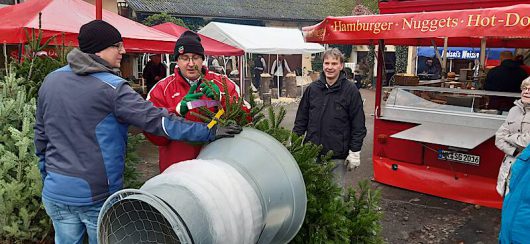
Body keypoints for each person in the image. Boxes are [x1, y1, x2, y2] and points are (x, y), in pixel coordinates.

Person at [34, 20, 241, 244]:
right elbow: (159, 122)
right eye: (117, 45)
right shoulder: (113, 88)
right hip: (95, 196)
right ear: (98, 49)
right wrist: (209, 132)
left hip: (55, 192)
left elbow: (41, 136)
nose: (123, 50)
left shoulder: (51, 80)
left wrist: (49, 177)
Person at [145, 30, 247, 172]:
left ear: (203, 59)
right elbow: (155, 136)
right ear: (177, 60)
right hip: (177, 171)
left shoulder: (223, 83)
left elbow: (246, 118)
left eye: (195, 57)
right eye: (185, 58)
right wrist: (177, 111)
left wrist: (222, 99)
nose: (191, 63)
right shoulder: (162, 89)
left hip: (217, 170)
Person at [293, 48, 367, 188]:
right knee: (312, 193)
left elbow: (358, 125)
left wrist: (355, 151)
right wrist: (295, 144)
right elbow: (301, 120)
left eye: (334, 63)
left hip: (336, 156)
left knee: (335, 196)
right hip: (311, 153)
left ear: (341, 65)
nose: (330, 67)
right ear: (323, 65)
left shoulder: (350, 91)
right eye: (327, 63)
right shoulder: (312, 89)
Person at [495, 77, 530, 197]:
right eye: (524, 88)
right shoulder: (513, 110)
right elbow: (499, 138)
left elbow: (527, 142)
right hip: (508, 168)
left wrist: (509, 137)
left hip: (527, 170)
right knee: (508, 202)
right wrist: (514, 151)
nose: (526, 91)